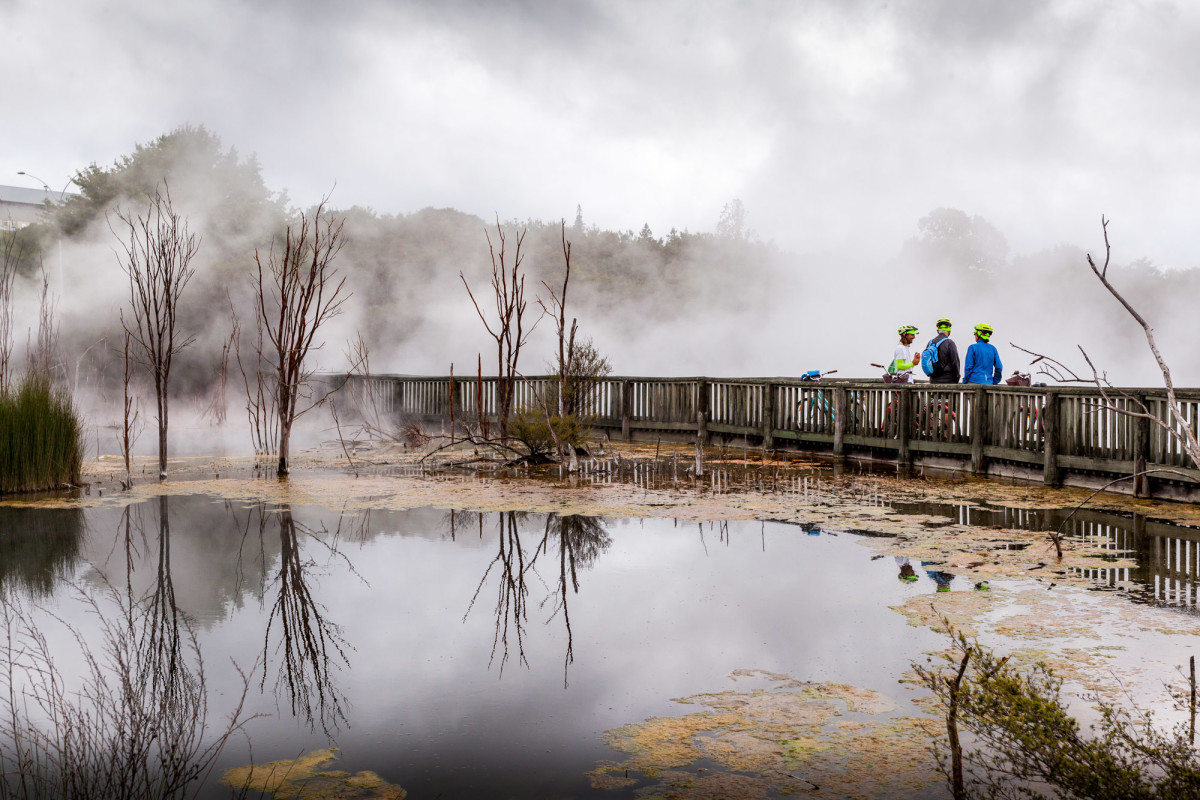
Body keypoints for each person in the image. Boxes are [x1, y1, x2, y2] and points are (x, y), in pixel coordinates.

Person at [924, 318, 960, 384]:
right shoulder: (950, 343)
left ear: (938, 331)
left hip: (933, 381)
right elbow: (955, 362)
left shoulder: (930, 343)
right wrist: (957, 377)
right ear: (949, 331)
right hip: (948, 381)